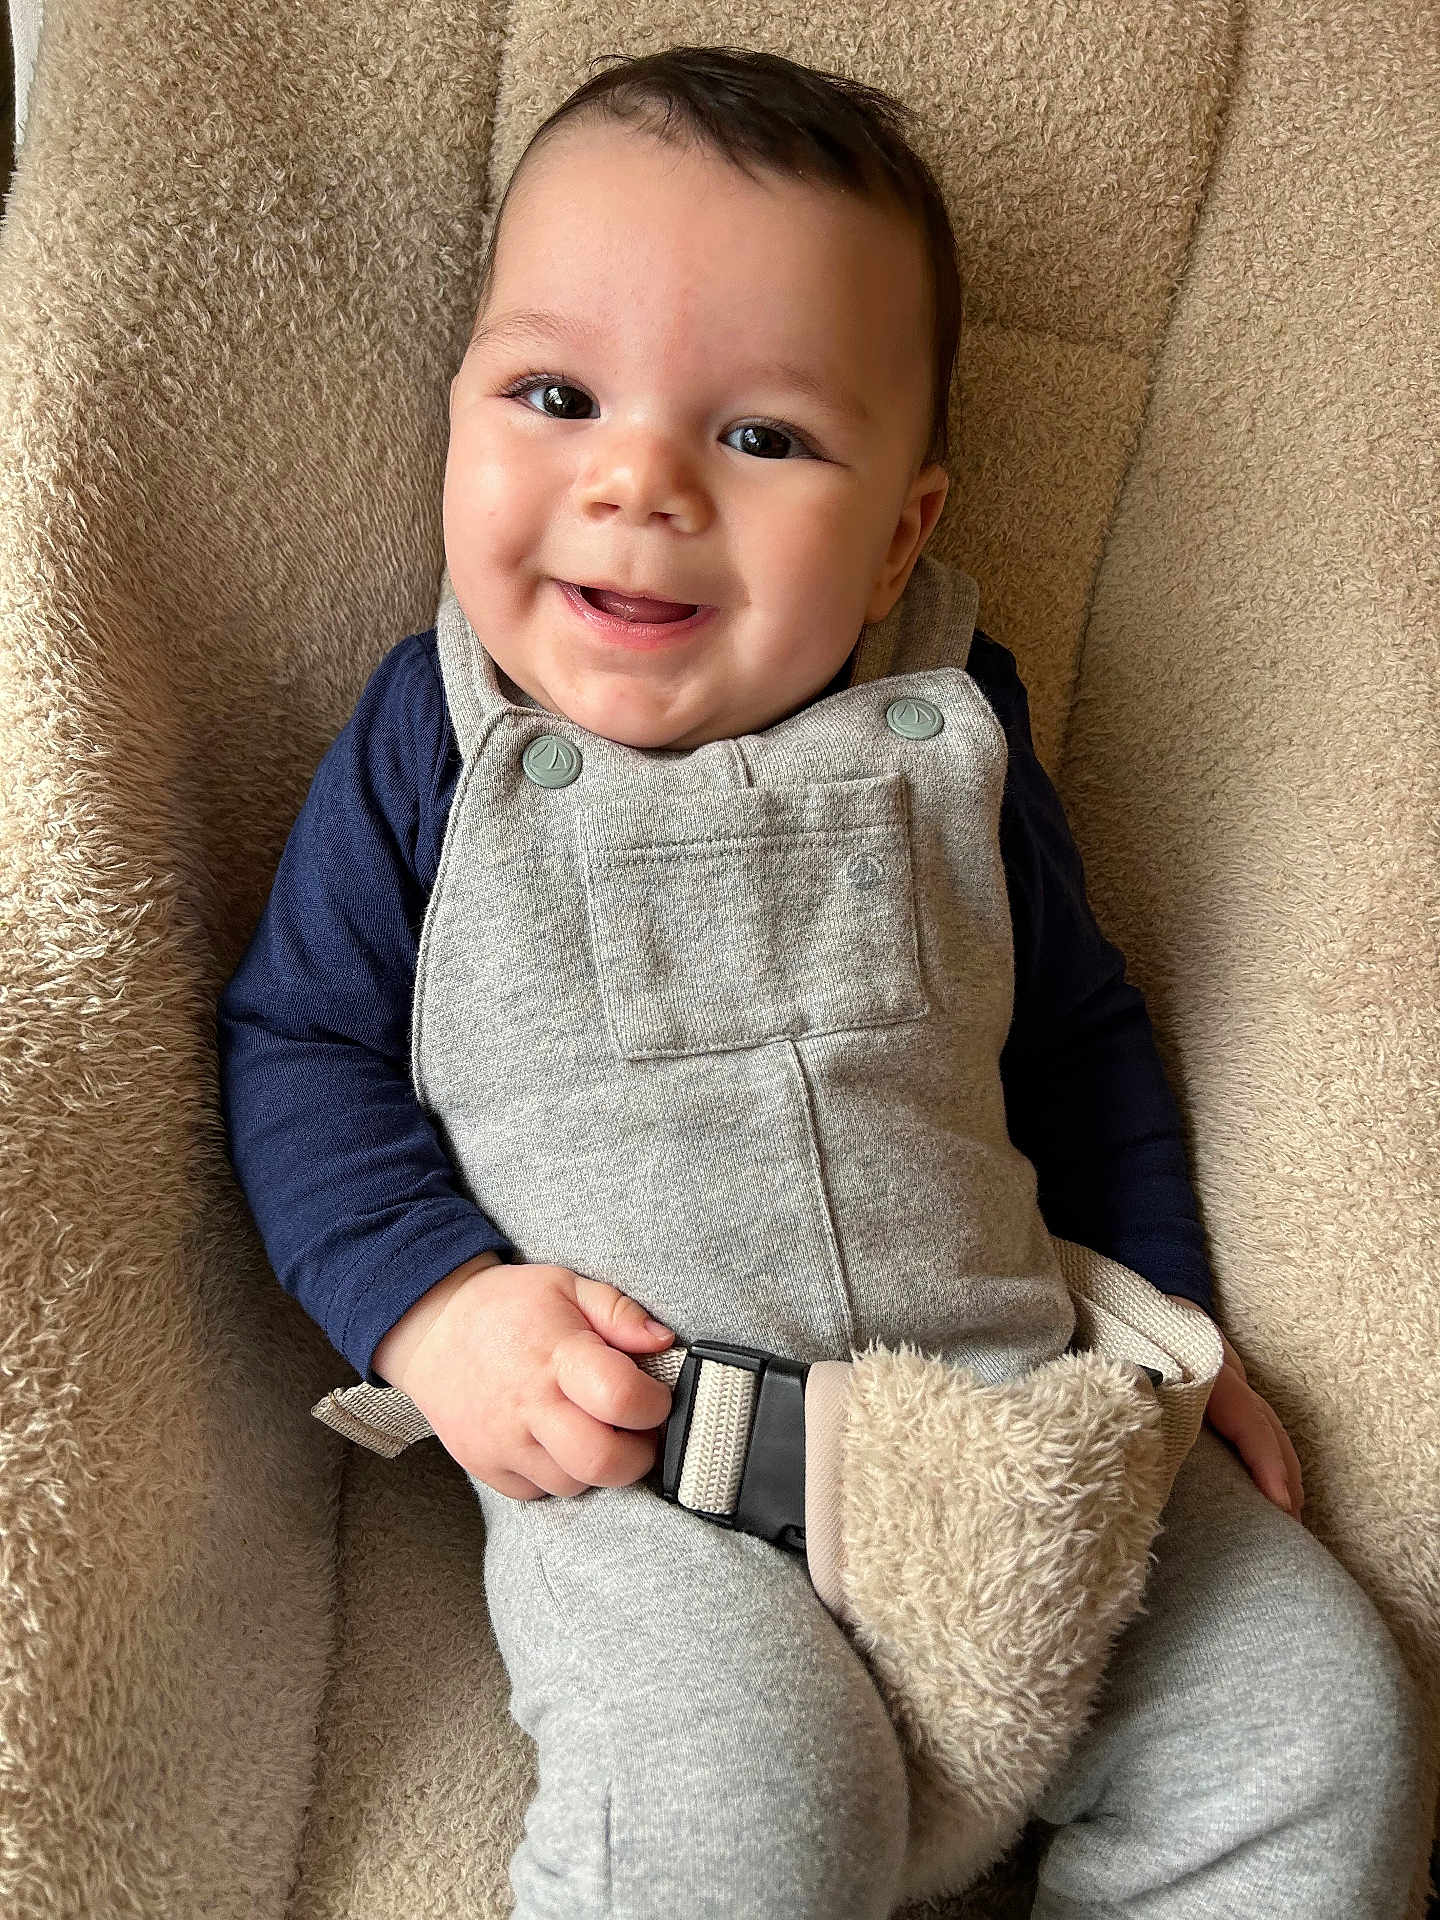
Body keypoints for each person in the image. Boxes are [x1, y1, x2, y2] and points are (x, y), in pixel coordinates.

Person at [216, 45, 1425, 1920]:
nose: (639, 482)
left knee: (1316, 1717)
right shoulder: (433, 749)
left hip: (1018, 1419)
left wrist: (1177, 1324)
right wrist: (434, 1309)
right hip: (648, 1467)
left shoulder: (957, 737)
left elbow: (1082, 1037)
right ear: (453, 418)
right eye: (554, 395)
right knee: (743, 1810)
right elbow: (298, 1044)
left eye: (763, 438)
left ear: (902, 537)